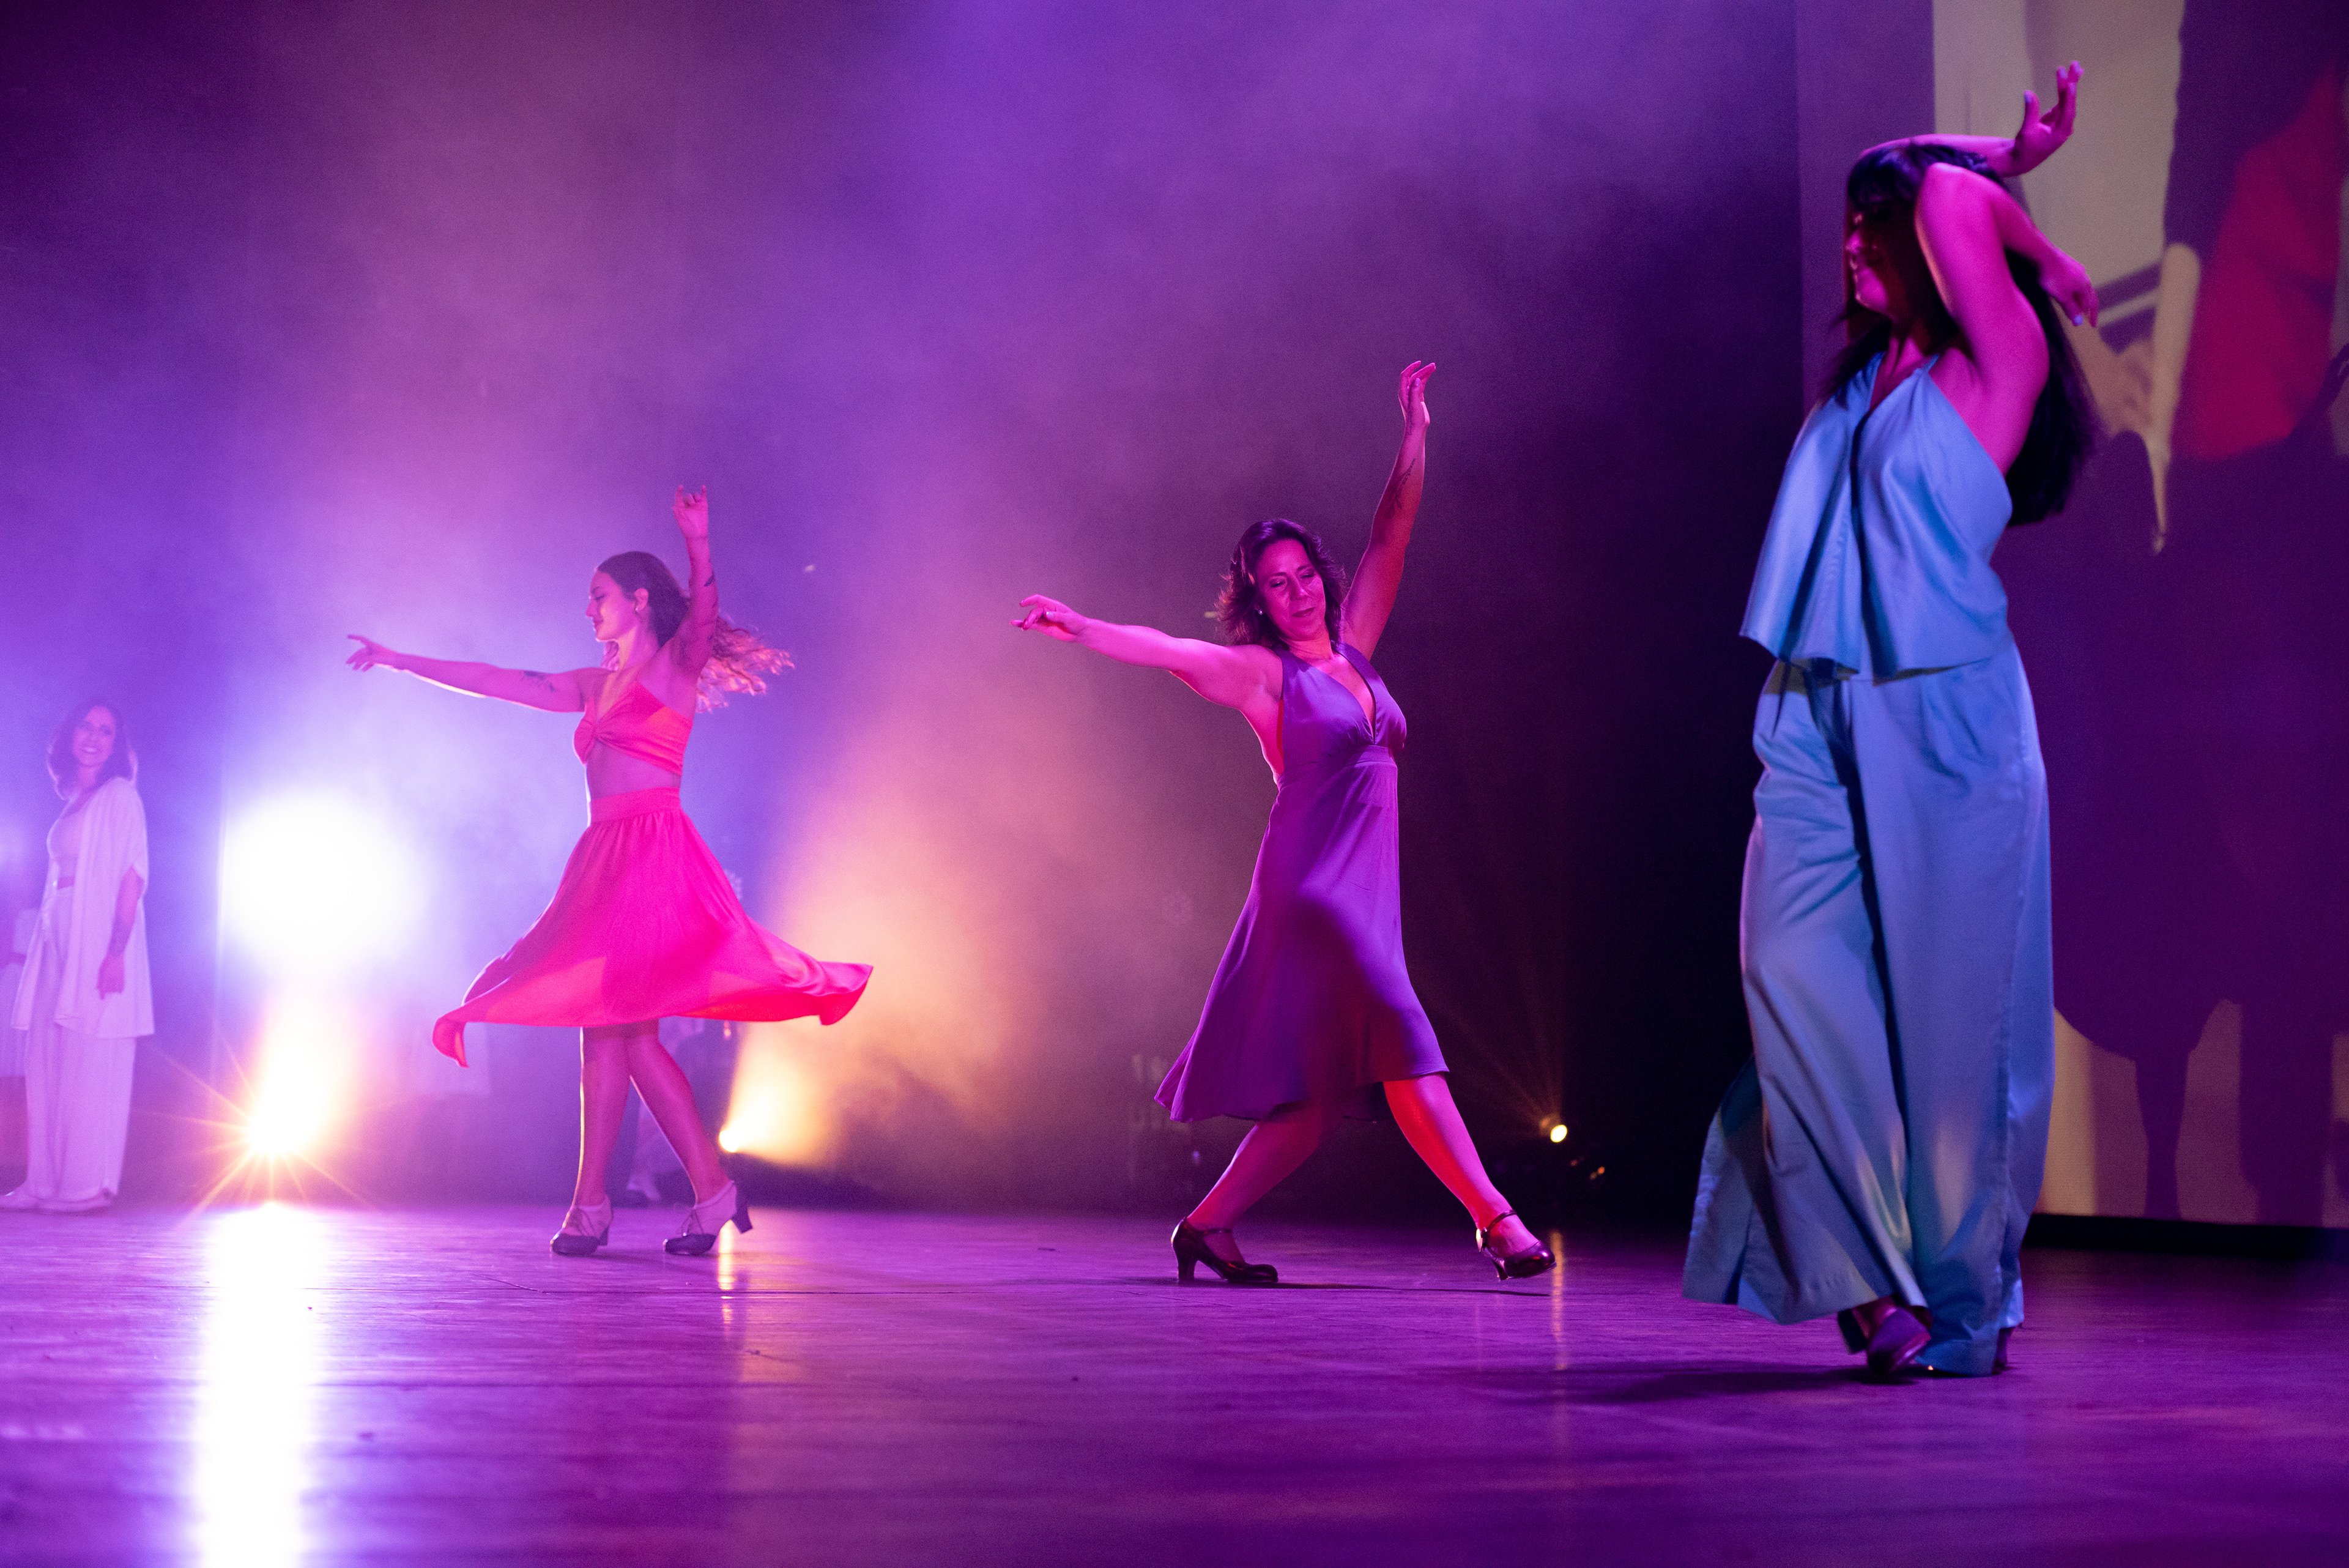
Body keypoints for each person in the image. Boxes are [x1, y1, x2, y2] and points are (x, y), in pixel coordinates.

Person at [1682, 69, 2101, 1377]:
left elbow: (1945, 200)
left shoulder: (1998, 359)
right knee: (1792, 975)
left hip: (1945, 718)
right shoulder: (1865, 383)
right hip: (1814, 707)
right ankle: (1865, 1272)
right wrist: (1995, 158)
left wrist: (2021, 211)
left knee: (1952, 1023)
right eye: (1852, 231)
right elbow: (1906, 169)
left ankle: (1954, 1295)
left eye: (1875, 229)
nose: (1855, 246)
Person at [1014, 364, 1554, 1285]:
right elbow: (1173, 651)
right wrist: (1083, 627)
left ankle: (1205, 1225)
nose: (1297, 592)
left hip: (1367, 895)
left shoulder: (1357, 650)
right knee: (1401, 1031)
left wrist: (1415, 434)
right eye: (1277, 584)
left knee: (1319, 1095)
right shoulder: (1266, 676)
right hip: (1312, 894)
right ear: (1257, 600)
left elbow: (1392, 533)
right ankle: (1496, 1220)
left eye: (1305, 575)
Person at [348, 487, 870, 1257]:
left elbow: (702, 617)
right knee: (619, 1032)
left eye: (598, 595)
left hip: (654, 856)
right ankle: (699, 1193)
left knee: (613, 1027)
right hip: (602, 858)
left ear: (637, 600)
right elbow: (498, 679)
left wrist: (697, 541)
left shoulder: (675, 668)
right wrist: (401, 660)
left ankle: (600, 1204)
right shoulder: (594, 687)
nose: (588, 608)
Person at [3, 700, 153, 1214]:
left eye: (105, 731)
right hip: (56, 934)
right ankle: (43, 1180)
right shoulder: (72, 800)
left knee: (92, 1054)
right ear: (71, 734)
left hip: (96, 936)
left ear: (116, 744)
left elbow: (132, 875)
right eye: (87, 726)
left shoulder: (120, 795)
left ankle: (87, 1185)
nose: (93, 736)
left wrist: (116, 952)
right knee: (48, 1054)